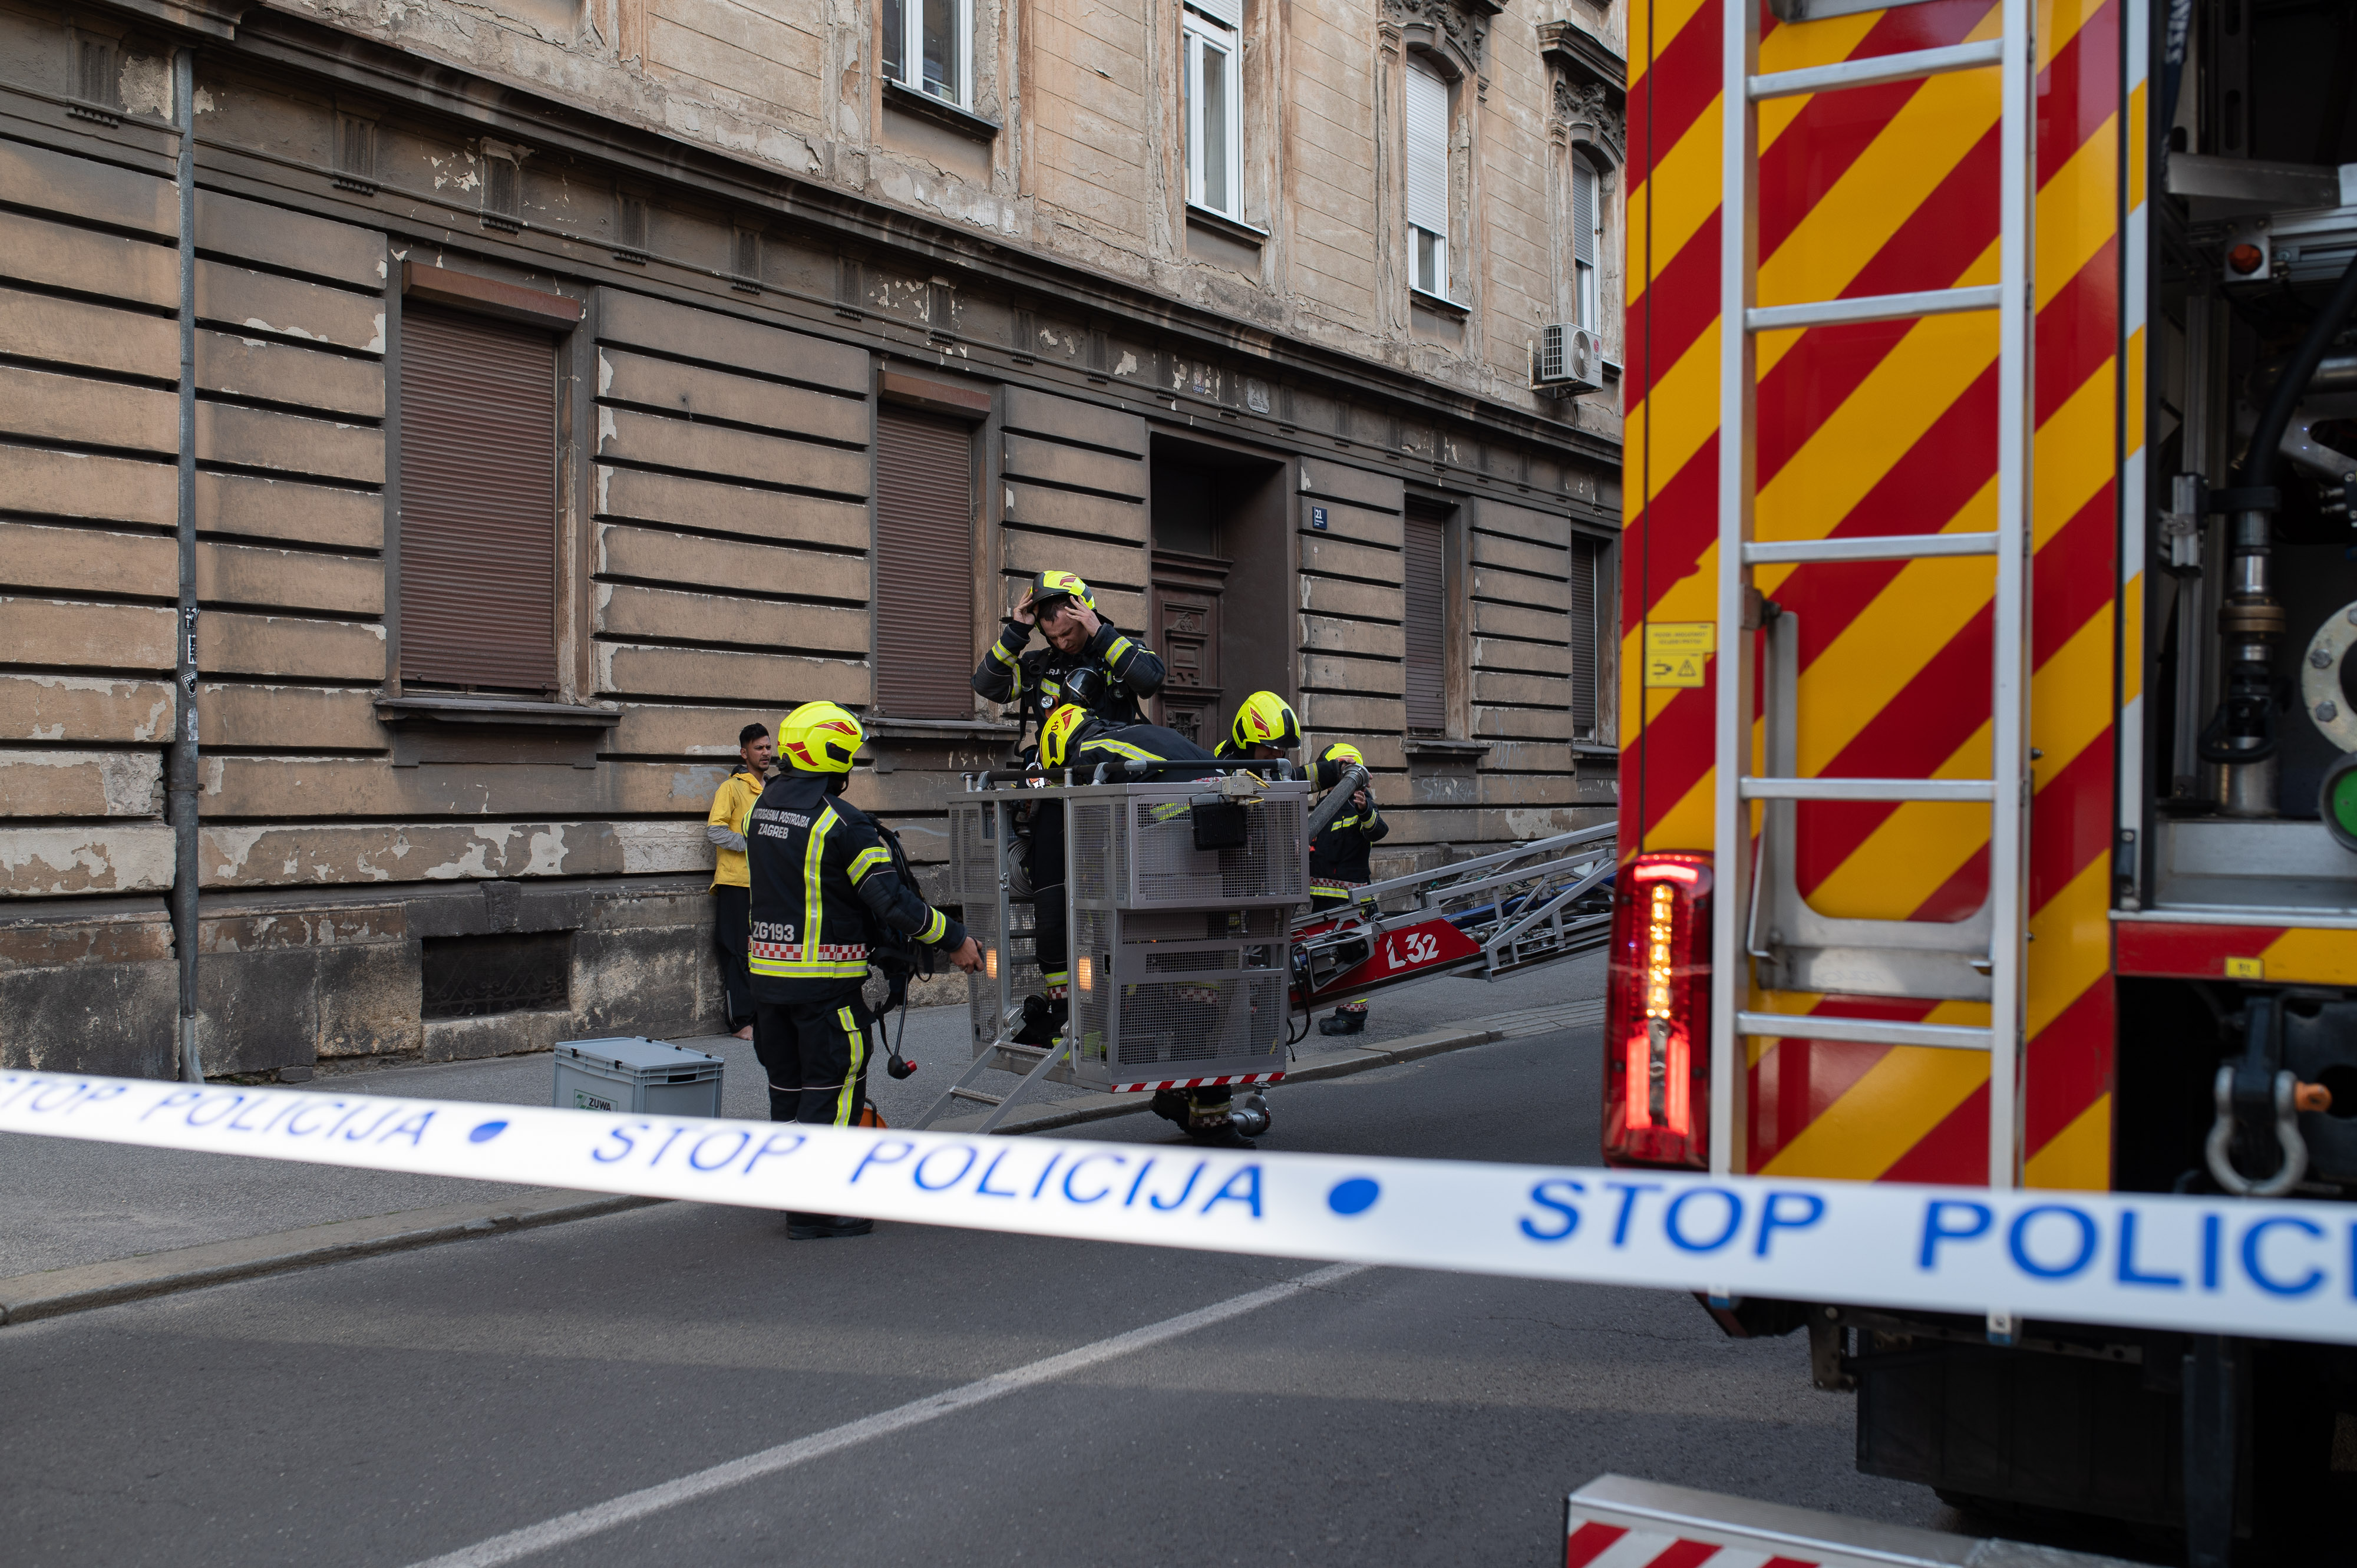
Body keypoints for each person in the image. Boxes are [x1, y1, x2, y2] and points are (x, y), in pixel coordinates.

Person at [747, 701, 983, 1240]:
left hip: (768, 985)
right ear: (833, 756)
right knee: (832, 1094)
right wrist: (955, 939)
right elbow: (892, 902)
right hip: (825, 991)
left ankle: (787, 1186)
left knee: (786, 1091)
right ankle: (815, 1210)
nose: (852, 765)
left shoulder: (760, 810)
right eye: (849, 755)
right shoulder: (844, 825)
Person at [1033, 704, 1256, 1146]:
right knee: (1195, 999)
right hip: (1212, 862)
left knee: (1181, 995)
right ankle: (1200, 1111)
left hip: (1172, 872)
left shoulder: (1089, 758)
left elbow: (1086, 842)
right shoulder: (1142, 733)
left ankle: (1191, 1104)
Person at [972, 569, 1165, 745]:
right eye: (1053, 637)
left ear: (1085, 616)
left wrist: (1100, 633)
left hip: (1109, 770)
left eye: (1067, 633)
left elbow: (1151, 679)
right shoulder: (1037, 666)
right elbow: (986, 685)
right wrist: (1015, 633)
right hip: (1054, 774)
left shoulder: (1120, 651)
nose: (1062, 643)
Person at [1306, 741, 1387, 1035]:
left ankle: (1352, 1016)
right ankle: (1338, 1006)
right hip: (1325, 900)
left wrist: (1366, 810)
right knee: (1332, 955)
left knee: (1353, 953)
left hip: (1351, 901)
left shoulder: (1360, 802)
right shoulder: (1324, 807)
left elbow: (1377, 830)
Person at [704, 723, 771, 1040]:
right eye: (758, 748)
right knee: (736, 952)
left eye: (768, 747)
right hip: (735, 883)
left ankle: (762, 1018)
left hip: (766, 885)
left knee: (763, 952)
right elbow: (715, 831)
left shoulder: (772, 790)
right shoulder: (731, 788)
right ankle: (740, 1022)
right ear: (744, 753)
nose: (766, 753)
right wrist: (751, 844)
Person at [1213, 690, 1302, 766]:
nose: (1278, 754)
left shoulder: (1270, 769)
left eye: (1282, 748)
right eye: (1271, 747)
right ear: (1247, 745)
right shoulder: (1223, 773)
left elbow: (1295, 775)